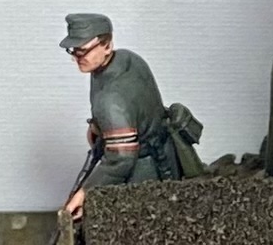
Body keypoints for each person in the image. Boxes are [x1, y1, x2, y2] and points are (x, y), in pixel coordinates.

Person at [60, 15, 186, 215]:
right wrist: (99, 126)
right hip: (162, 151)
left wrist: (84, 194)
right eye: (73, 50)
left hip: (143, 172)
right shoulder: (127, 60)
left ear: (107, 46)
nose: (76, 58)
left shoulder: (111, 99)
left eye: (83, 51)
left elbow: (121, 160)